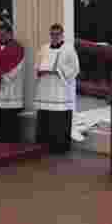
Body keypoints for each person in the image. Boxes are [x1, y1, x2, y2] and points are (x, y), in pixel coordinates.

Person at [34, 23, 80, 154]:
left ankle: (59, 147)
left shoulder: (69, 49)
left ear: (62, 34)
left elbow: (75, 68)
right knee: (45, 117)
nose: (54, 37)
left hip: (60, 91)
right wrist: (40, 70)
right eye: (52, 34)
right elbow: (37, 65)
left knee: (59, 119)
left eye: (57, 34)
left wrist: (59, 70)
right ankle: (43, 145)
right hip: (45, 89)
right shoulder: (43, 48)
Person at [0, 30, 25, 142]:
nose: (2, 36)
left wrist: (4, 76)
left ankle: (9, 137)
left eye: (5, 34)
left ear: (11, 34)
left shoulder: (17, 48)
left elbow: (19, 66)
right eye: (0, 34)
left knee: (9, 113)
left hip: (10, 86)